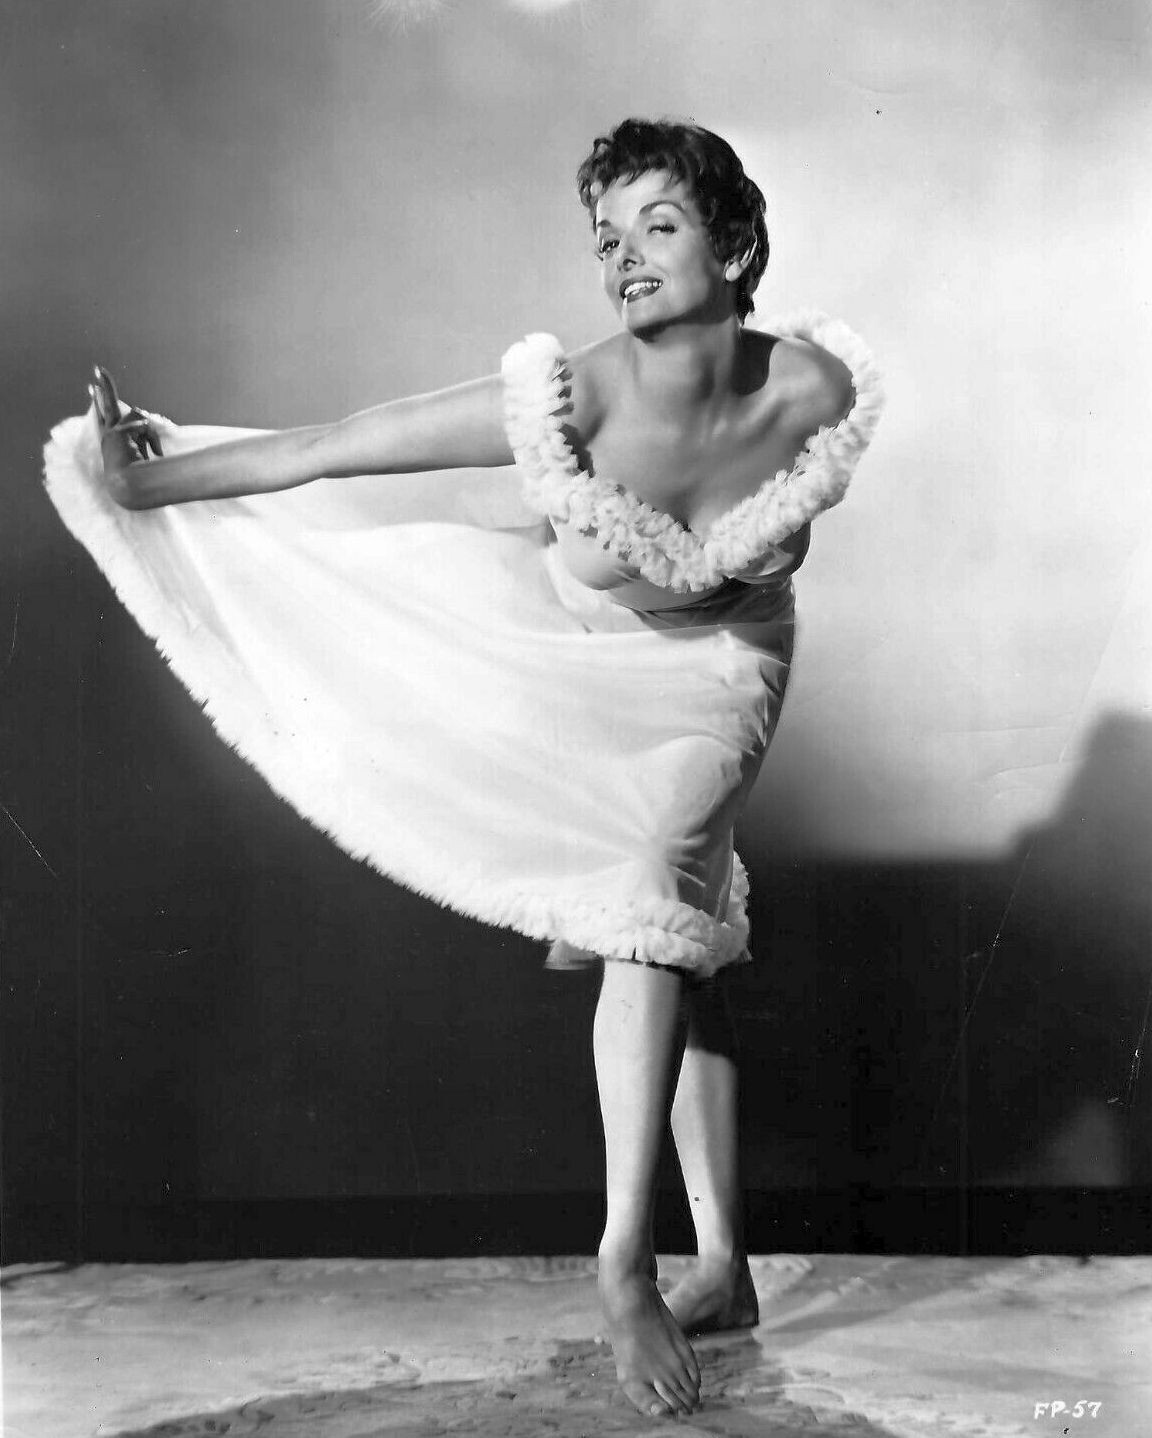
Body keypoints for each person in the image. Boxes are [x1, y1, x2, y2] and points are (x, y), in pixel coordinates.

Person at [48, 117, 883, 1419]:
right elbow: (335, 444)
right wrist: (151, 484)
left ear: (732, 245)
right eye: (605, 237)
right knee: (676, 935)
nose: (624, 257)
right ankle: (723, 1267)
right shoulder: (577, 395)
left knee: (654, 894)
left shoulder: (815, 390)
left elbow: (768, 531)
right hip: (564, 644)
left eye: (658, 225)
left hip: (722, 668)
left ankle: (626, 1265)